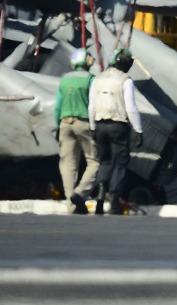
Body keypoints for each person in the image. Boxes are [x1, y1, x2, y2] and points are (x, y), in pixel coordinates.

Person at [88, 47, 143, 215]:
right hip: (118, 126)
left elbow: (92, 106)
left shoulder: (98, 78)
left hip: (100, 125)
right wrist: (138, 130)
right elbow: (131, 108)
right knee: (120, 163)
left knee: (105, 161)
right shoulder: (125, 80)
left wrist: (92, 127)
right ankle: (113, 201)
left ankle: (100, 193)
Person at [55, 49, 99, 214]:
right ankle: (80, 194)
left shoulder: (64, 79)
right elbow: (95, 104)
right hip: (84, 122)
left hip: (65, 123)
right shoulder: (91, 79)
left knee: (67, 164)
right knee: (94, 162)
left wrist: (57, 125)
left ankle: (71, 203)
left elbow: (57, 106)